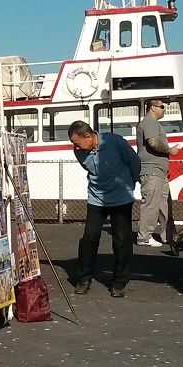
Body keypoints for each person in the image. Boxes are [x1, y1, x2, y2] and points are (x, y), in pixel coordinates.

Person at [68, 120, 140, 298]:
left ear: (89, 136)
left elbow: (134, 162)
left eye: (77, 143)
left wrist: (129, 184)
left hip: (121, 198)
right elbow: (88, 167)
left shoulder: (115, 141)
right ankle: (84, 278)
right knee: (89, 239)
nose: (75, 147)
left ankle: (119, 282)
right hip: (96, 200)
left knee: (122, 241)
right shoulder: (79, 151)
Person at [136, 99, 180, 255]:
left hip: (158, 172)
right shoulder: (150, 122)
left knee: (163, 205)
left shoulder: (153, 123)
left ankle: (166, 235)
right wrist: (170, 151)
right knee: (151, 204)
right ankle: (144, 237)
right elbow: (153, 142)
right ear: (153, 108)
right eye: (162, 107)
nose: (164, 109)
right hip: (152, 171)